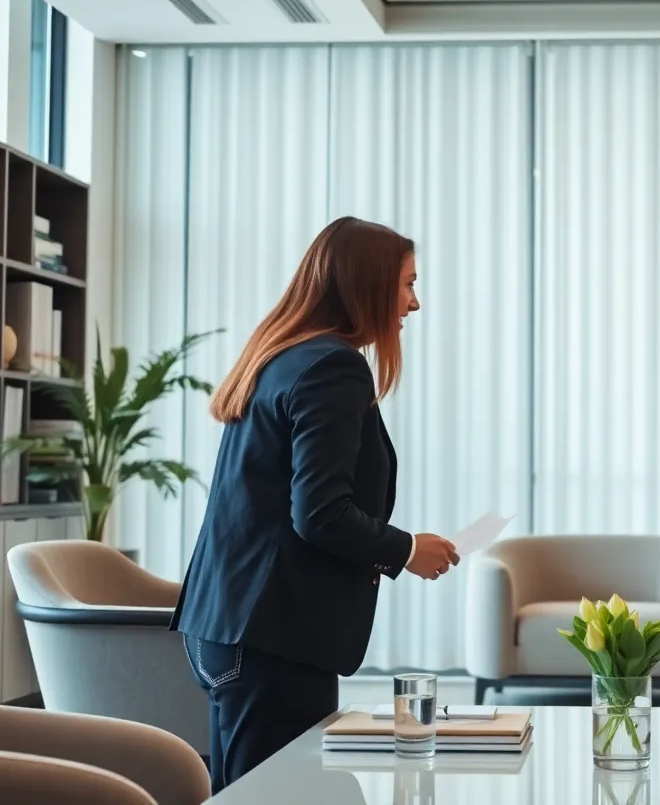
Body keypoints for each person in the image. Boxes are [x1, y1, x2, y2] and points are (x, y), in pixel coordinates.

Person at [168, 216, 461, 794]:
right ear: (366, 285)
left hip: (229, 629)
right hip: (273, 638)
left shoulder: (282, 355)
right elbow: (320, 512)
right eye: (406, 285)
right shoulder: (333, 366)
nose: (415, 303)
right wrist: (406, 549)